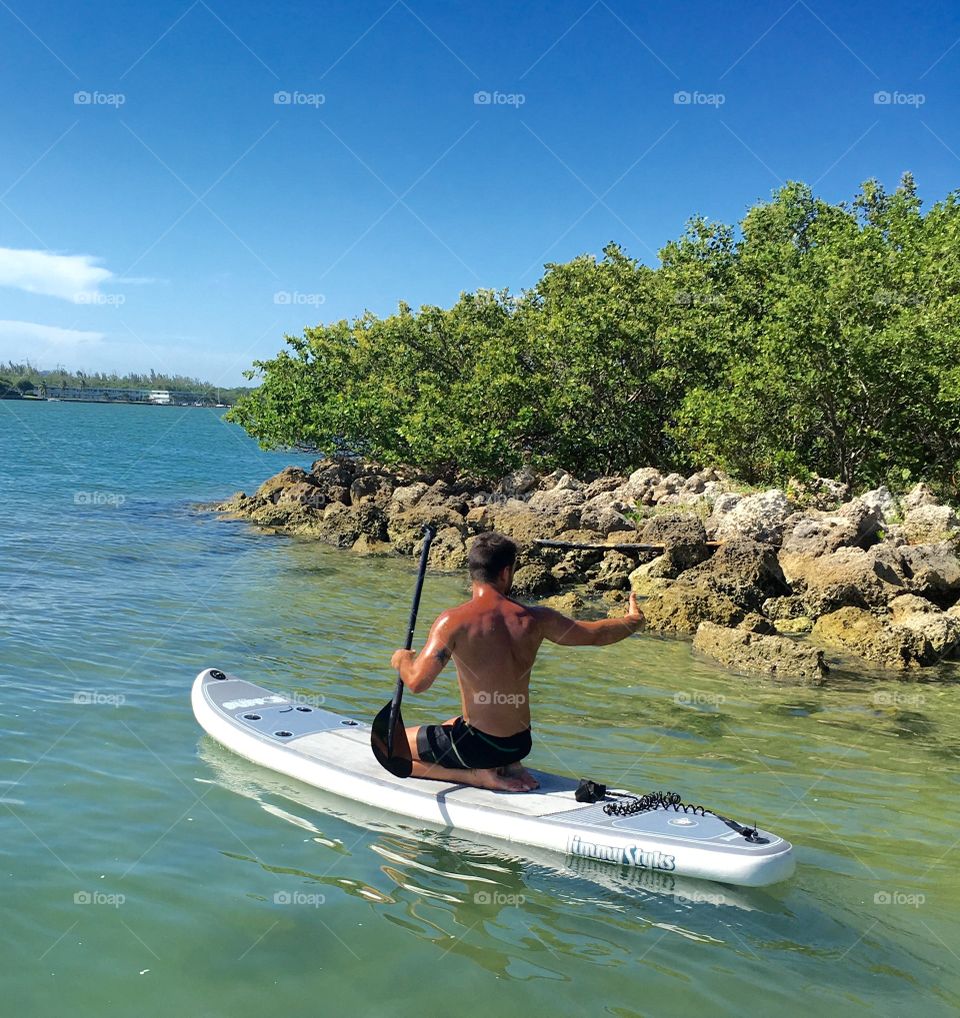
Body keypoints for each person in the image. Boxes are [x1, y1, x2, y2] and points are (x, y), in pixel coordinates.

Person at [390, 531, 645, 793]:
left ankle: (477, 776)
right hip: (518, 744)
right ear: (505, 572)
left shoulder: (453, 621)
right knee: (452, 724)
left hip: (481, 749)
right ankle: (509, 764)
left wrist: (401, 660)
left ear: (473, 572)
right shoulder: (536, 619)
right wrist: (633, 622)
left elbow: (418, 682)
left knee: (391, 747)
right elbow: (596, 635)